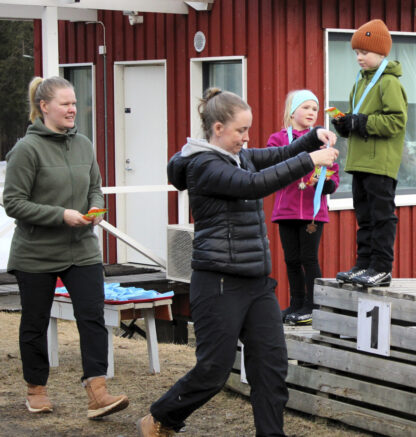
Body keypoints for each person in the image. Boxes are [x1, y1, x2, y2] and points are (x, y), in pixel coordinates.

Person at [137, 88, 338, 437]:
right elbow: (255, 184)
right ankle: (161, 418)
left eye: (248, 131)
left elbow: (278, 153)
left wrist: (310, 139)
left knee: (271, 369)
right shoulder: (204, 166)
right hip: (218, 283)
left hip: (256, 283)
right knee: (214, 370)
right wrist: (311, 161)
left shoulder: (238, 156)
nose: (246, 139)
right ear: (217, 129)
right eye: (240, 131)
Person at [3, 76, 129, 417]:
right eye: (65, 103)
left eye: (74, 103)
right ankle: (36, 389)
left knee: (92, 317)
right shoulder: (25, 150)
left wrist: (94, 209)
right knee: (35, 321)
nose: (73, 109)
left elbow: (95, 187)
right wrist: (61, 215)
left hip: (81, 249)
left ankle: (97, 391)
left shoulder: (84, 144)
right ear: (44, 107)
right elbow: (12, 202)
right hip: (36, 253)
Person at [332, 19, 408, 288]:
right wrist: (345, 124)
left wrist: (361, 122)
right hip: (360, 161)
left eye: (364, 52)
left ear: (381, 52)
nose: (359, 58)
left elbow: (396, 121)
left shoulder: (388, 83)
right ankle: (363, 264)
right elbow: (359, 118)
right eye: (356, 53)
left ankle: (381, 267)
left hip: (380, 163)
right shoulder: (360, 82)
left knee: (381, 216)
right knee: (363, 215)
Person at [269, 90, 340, 326]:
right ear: (292, 111)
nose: (312, 113)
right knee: (291, 260)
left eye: (315, 109)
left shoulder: (323, 140)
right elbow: (274, 167)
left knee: (308, 259)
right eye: (306, 108)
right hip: (286, 210)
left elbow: (333, 173)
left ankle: (313, 305)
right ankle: (296, 303)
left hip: (312, 213)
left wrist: (328, 183)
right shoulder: (278, 140)